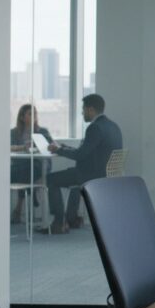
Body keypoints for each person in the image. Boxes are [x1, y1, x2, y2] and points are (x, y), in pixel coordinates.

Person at [43, 94, 123, 234]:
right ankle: (72, 218)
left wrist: (59, 150)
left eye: (83, 109)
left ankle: (59, 223)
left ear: (91, 110)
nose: (82, 112)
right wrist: (63, 148)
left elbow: (80, 155)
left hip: (92, 175)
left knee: (51, 179)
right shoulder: (113, 126)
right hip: (107, 174)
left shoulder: (95, 128)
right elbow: (85, 152)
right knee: (73, 177)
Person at [9, 104, 53, 224]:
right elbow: (8, 147)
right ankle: (32, 194)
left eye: (35, 113)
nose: (34, 116)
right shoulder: (14, 132)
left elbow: (51, 147)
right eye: (30, 114)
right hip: (20, 166)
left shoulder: (42, 131)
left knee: (27, 170)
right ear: (22, 117)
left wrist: (38, 147)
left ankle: (18, 208)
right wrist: (23, 147)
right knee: (13, 173)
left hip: (39, 165)